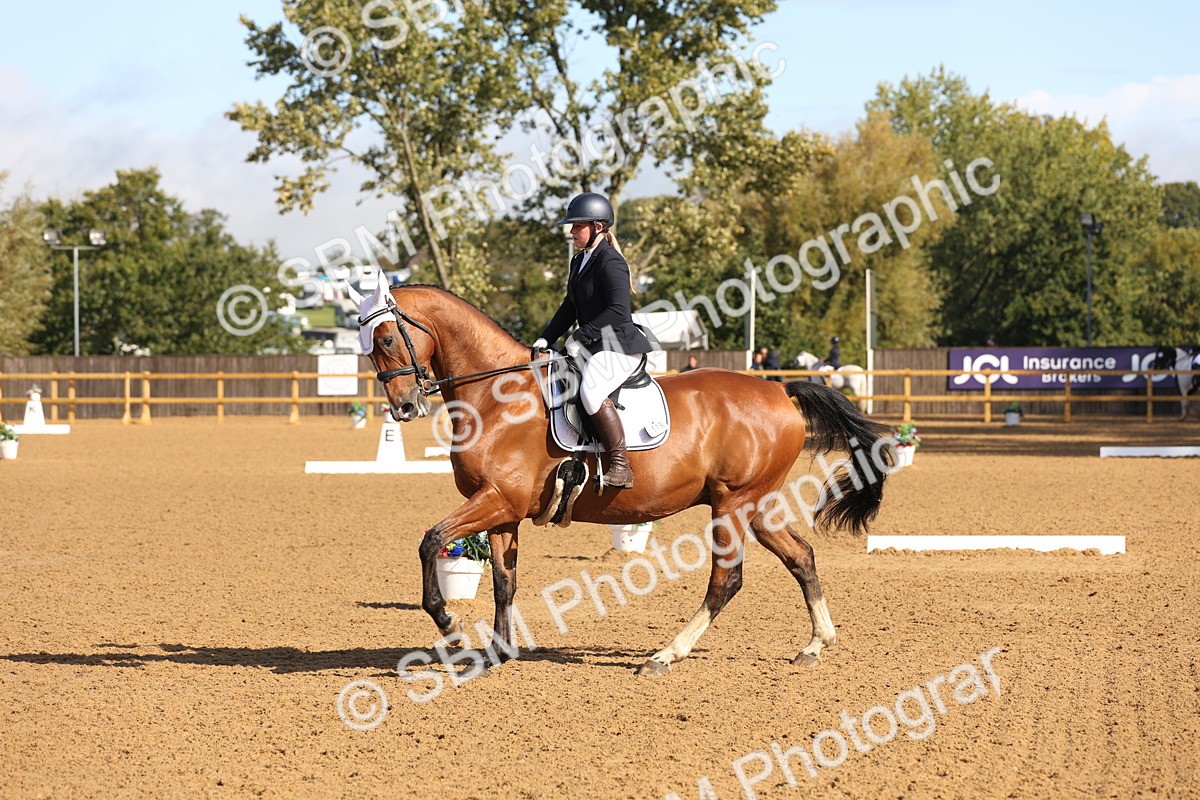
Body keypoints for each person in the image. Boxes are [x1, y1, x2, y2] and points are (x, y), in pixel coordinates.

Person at [532, 192, 653, 488]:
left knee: (591, 391)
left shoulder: (610, 262)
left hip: (619, 346)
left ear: (598, 227)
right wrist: (546, 338)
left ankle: (621, 465)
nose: (571, 232)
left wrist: (580, 335)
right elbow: (569, 306)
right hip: (593, 346)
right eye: (572, 227)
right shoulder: (580, 260)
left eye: (577, 226)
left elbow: (617, 310)